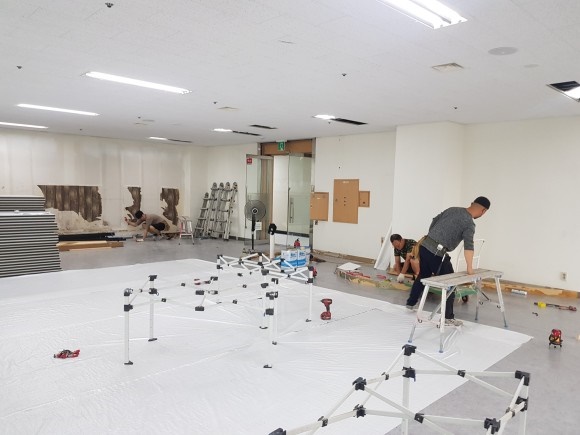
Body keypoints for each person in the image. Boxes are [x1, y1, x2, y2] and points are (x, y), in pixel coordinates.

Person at [405, 196, 491, 326]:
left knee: (423, 275)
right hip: (436, 253)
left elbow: (434, 220)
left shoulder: (453, 209)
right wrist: (470, 268)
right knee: (450, 284)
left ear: (472, 203)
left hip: (425, 246)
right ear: (483, 211)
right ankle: (448, 318)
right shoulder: (469, 223)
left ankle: (410, 303)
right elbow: (469, 246)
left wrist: (433, 236)